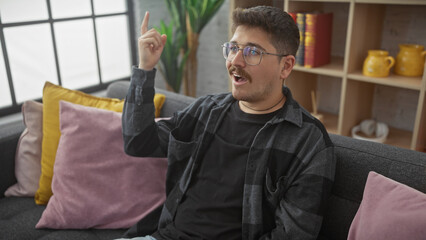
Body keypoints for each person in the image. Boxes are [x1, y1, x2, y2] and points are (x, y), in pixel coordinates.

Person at [120, 6, 335, 240]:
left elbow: (292, 235)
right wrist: (145, 69)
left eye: (253, 52)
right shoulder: (206, 110)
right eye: (233, 48)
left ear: (286, 66)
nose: (235, 60)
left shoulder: (308, 142)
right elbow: (138, 142)